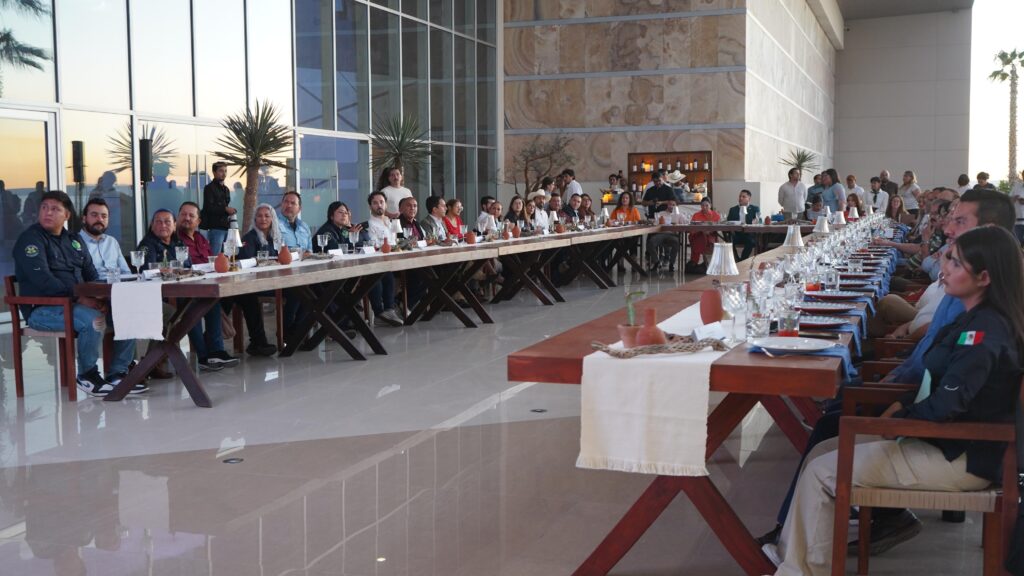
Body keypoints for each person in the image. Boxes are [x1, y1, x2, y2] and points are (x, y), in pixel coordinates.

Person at [768, 225, 1024, 576]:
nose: (944, 266)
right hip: (945, 441)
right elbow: (937, 381)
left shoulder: (984, 331)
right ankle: (796, 561)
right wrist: (903, 405)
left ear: (984, 277)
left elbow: (950, 401)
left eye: (956, 262)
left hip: (962, 457)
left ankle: (799, 571)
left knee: (820, 473)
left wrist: (900, 418)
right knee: (821, 452)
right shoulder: (974, 317)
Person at [14, 190, 141, 396]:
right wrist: (81, 298)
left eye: (55, 209)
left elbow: (91, 275)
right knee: (94, 320)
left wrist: (99, 297)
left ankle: (118, 374)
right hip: (43, 309)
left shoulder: (73, 240)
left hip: (75, 305)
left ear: (67, 215)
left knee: (128, 314)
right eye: (44, 208)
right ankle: (87, 375)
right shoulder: (30, 240)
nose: (48, 212)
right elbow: (44, 281)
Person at [177, 202, 240, 371]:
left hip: (205, 285)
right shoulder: (176, 239)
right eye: (183, 214)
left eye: (191, 216)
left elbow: (211, 262)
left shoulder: (201, 239)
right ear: (178, 217)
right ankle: (204, 356)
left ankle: (216, 351)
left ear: (198, 221)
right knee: (194, 304)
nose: (187, 218)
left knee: (218, 299)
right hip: (183, 289)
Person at [231, 204, 282, 356]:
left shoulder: (275, 238)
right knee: (248, 296)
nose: (263, 219)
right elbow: (246, 262)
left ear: (272, 219)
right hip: (251, 284)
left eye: (267, 216)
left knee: (298, 292)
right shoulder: (249, 238)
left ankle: (293, 333)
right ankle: (258, 342)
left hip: (273, 282)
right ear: (254, 219)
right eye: (259, 216)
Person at [363, 191, 404, 327]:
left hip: (392, 261)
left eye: (381, 202)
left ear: (386, 204)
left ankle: (391, 310)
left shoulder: (390, 222)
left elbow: (396, 241)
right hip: (375, 262)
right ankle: (381, 312)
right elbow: (374, 245)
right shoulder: (368, 225)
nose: (379, 205)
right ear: (370, 206)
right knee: (383, 276)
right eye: (375, 203)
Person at [78, 198, 130, 276]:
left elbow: (126, 272)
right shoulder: (75, 242)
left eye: (104, 216)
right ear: (84, 219)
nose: (100, 219)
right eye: (94, 215)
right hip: (91, 283)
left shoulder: (112, 242)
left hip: (116, 282)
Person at [200, 161, 236, 255]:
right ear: (214, 172)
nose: (224, 173)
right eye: (221, 171)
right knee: (215, 256)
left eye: (225, 171)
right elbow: (209, 207)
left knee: (227, 255)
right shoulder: (209, 188)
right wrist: (225, 209)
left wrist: (230, 210)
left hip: (226, 227)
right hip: (215, 227)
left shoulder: (226, 189)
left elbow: (223, 206)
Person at [686, 199, 720, 273]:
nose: (704, 207)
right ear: (700, 206)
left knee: (705, 238)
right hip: (698, 235)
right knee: (700, 238)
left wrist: (709, 231)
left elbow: (717, 227)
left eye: (706, 205)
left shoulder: (715, 215)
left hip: (711, 235)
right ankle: (697, 261)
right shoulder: (696, 215)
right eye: (702, 205)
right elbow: (692, 227)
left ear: (710, 206)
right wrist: (702, 231)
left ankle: (704, 262)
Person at [647, 198, 681, 272]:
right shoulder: (661, 213)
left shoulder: (679, 215)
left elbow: (686, 223)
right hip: (661, 234)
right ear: (667, 205)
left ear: (676, 206)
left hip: (672, 234)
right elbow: (655, 223)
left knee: (676, 242)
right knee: (651, 242)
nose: (671, 206)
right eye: (670, 204)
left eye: (673, 205)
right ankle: (656, 262)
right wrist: (653, 221)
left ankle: (671, 264)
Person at [725, 190, 759, 260]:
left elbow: (757, 220)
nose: (741, 198)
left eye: (743, 197)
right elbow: (728, 222)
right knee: (728, 241)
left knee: (750, 242)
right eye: (740, 196)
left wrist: (755, 221)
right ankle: (737, 259)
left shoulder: (754, 209)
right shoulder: (733, 209)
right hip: (736, 234)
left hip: (749, 235)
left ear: (749, 198)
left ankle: (742, 260)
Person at [1011, 169, 1024, 244]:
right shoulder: (1017, 186)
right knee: (1017, 243)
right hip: (1018, 221)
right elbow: (1009, 199)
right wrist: (1014, 198)